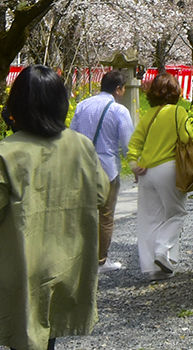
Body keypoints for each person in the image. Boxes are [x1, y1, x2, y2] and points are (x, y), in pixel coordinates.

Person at [0, 65, 101, 350]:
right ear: (61, 103)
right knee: (49, 331)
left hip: (20, 265)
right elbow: (100, 194)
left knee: (26, 333)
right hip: (68, 259)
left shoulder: (7, 151)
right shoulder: (82, 146)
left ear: (17, 105)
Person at [127, 70, 193, 280]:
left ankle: (151, 269)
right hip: (169, 169)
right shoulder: (178, 112)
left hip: (146, 172)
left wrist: (133, 163)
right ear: (175, 92)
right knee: (176, 213)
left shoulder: (149, 115)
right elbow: (186, 136)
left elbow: (134, 143)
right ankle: (162, 251)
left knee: (149, 219)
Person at [69, 70, 134, 271]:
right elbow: (127, 144)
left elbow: (71, 135)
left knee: (83, 215)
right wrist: (135, 165)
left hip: (82, 167)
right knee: (105, 216)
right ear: (118, 89)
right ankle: (101, 261)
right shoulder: (119, 110)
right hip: (108, 169)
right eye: (123, 88)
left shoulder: (82, 105)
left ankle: (80, 257)